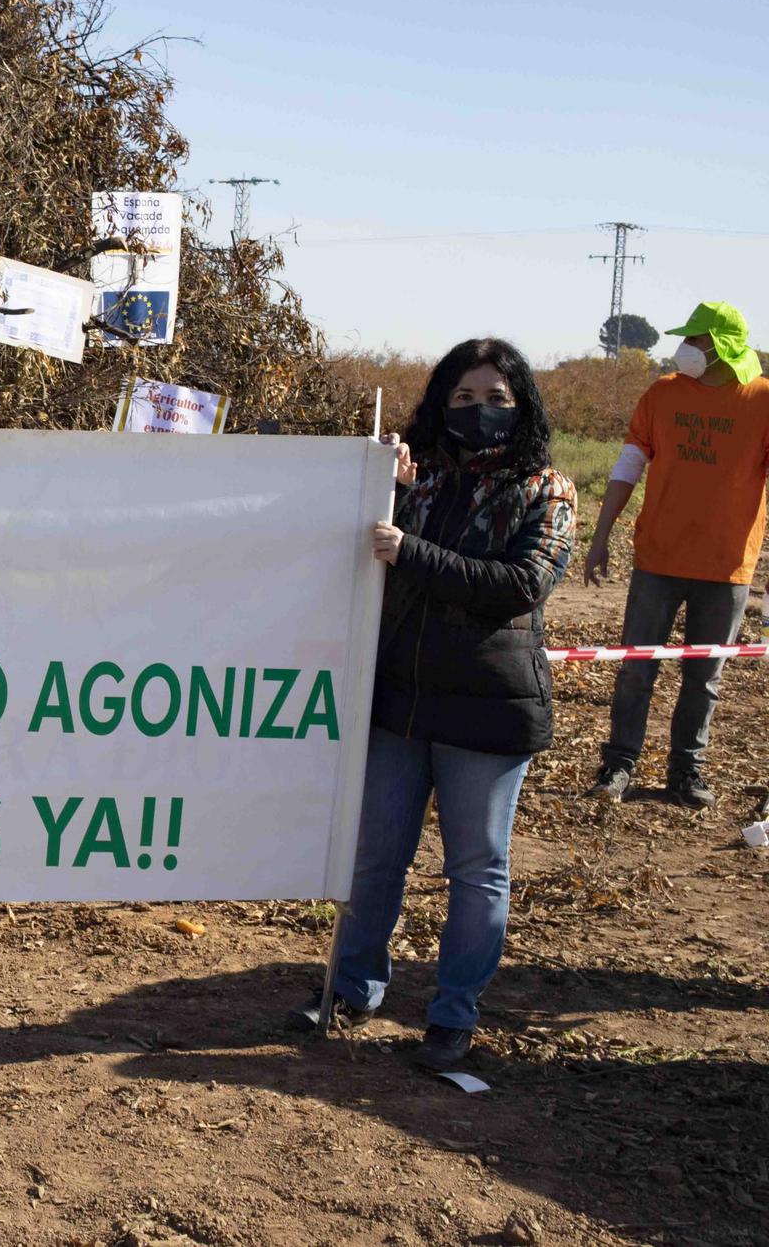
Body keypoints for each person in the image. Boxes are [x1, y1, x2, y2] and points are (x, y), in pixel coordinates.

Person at [290, 339, 576, 1071]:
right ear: (440, 403)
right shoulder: (417, 481)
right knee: (376, 856)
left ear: (523, 406)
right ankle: (352, 988)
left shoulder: (550, 490)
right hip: (401, 702)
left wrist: (408, 550)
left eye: (496, 399)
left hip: (487, 712)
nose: (478, 412)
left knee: (476, 867)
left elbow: (518, 586)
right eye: (463, 397)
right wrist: (377, 484)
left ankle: (453, 1015)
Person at [584, 302, 768, 810]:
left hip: (727, 565)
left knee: (704, 678)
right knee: (635, 669)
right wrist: (600, 536)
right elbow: (628, 463)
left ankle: (687, 772)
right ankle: (619, 764)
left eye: (697, 340)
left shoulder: (762, 399)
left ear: (722, 345)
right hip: (657, 561)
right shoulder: (662, 394)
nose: (687, 348)